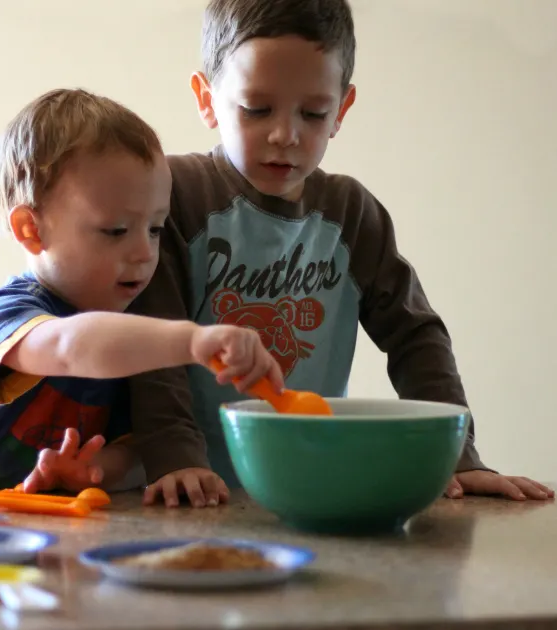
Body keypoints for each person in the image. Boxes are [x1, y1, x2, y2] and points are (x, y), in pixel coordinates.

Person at [130, 0, 553, 507]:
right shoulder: (173, 195)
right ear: (206, 98)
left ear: (342, 111)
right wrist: (176, 457)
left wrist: (456, 454)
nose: (286, 135)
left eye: (313, 113)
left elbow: (416, 335)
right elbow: (149, 339)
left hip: (306, 488)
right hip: (184, 488)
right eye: (256, 109)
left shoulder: (352, 213)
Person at [0, 88, 283, 498]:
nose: (145, 252)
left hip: (41, 529)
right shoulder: (5, 313)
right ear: (31, 229)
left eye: (155, 229)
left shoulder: (130, 341)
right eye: (115, 230)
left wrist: (90, 471)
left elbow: (132, 453)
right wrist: (192, 339)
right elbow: (68, 346)